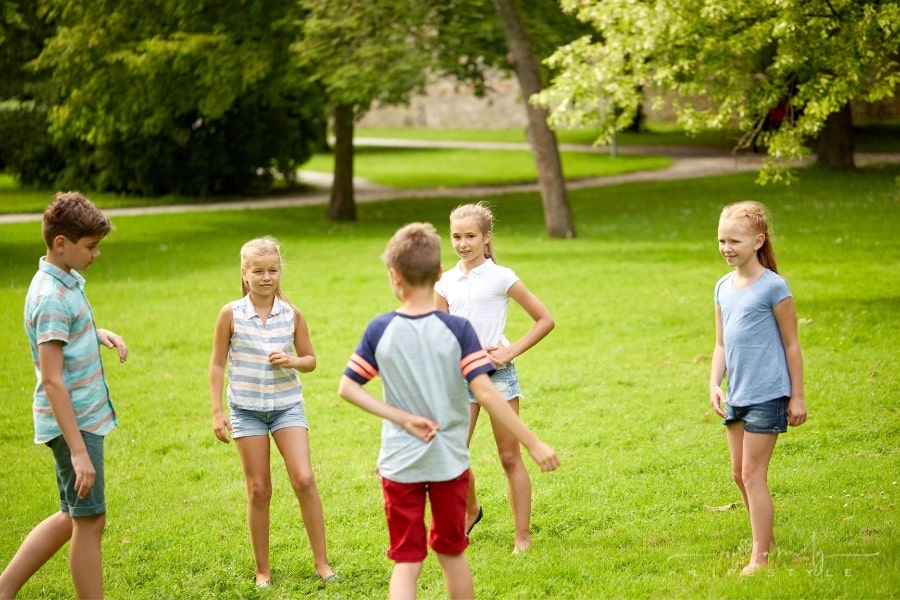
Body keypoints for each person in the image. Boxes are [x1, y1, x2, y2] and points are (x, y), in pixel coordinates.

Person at [338, 222, 560, 600]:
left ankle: (518, 532)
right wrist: (535, 443)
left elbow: (347, 388)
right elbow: (485, 393)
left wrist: (402, 418)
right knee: (452, 555)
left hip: (399, 463)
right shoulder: (458, 331)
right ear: (439, 275)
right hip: (447, 464)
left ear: (394, 277)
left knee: (407, 562)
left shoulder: (380, 329)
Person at [0, 192, 128, 600]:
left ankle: (4, 587)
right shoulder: (50, 298)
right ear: (61, 243)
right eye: (91, 247)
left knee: (71, 514)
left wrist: (96, 333)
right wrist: (78, 451)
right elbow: (53, 379)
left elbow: (62, 338)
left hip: (78, 418)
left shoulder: (62, 281)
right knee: (91, 521)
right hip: (74, 422)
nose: (97, 254)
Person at [208, 236, 335, 588]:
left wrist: (292, 360)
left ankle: (322, 564)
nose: (267, 277)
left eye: (273, 270)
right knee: (259, 489)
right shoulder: (230, 314)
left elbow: (310, 360)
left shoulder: (292, 314)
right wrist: (218, 411)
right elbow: (217, 364)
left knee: (305, 479)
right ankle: (263, 570)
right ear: (245, 274)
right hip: (246, 411)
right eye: (258, 271)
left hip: (286, 408)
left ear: (280, 272)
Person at [433, 202, 555, 554]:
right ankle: (471, 509)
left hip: (498, 378)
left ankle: (522, 537)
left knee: (509, 457)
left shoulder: (502, 277)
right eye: (456, 236)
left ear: (486, 238)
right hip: (461, 379)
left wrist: (509, 351)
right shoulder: (446, 282)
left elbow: (544, 319)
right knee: (453, 453)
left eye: (470, 236)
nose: (462, 243)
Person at [709, 201, 808, 576]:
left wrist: (797, 396)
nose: (726, 247)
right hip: (736, 393)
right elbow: (721, 344)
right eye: (721, 240)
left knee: (753, 475)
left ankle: (760, 558)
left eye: (734, 240)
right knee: (738, 474)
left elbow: (792, 345)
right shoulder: (722, 287)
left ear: (758, 241)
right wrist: (714, 382)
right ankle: (767, 540)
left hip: (768, 392)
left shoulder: (774, 287)